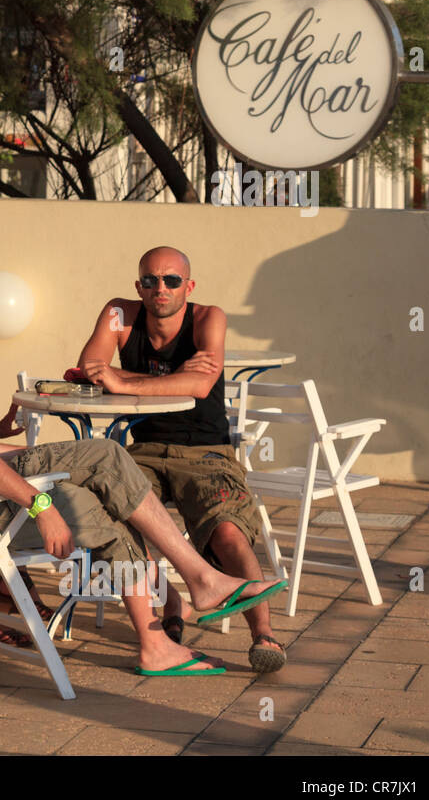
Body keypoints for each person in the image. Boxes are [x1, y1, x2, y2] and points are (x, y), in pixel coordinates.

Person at [0, 245, 285, 676]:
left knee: (102, 490)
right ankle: (198, 583)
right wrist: (39, 503)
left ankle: (161, 634)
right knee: (107, 455)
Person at [74, 245, 286, 672]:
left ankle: (264, 635)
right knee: (118, 521)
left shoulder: (209, 318)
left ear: (188, 286)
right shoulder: (119, 313)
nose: (161, 289)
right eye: (150, 280)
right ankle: (170, 607)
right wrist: (172, 379)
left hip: (206, 451)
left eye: (171, 280)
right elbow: (88, 369)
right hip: (144, 452)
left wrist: (123, 381)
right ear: (139, 286)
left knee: (226, 533)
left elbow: (202, 387)